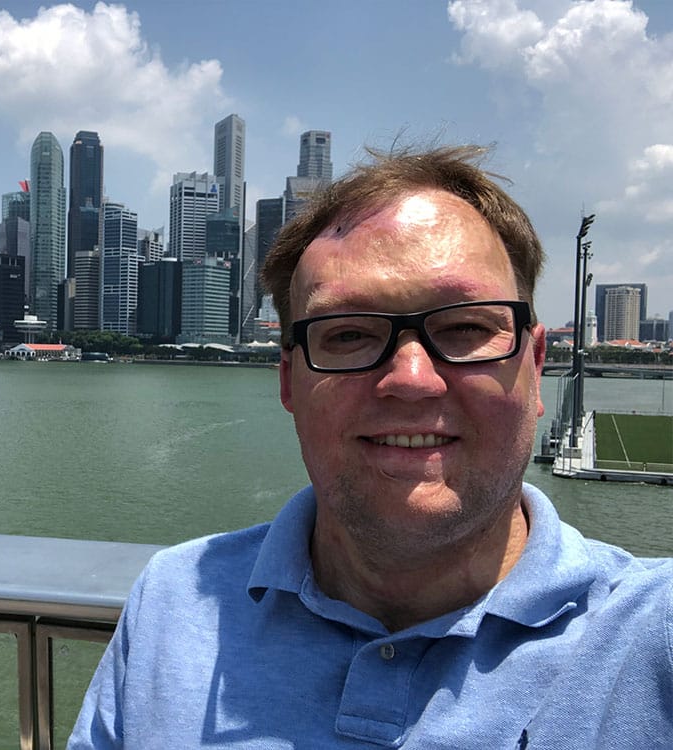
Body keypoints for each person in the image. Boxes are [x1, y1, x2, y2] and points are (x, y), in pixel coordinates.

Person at [67, 145, 672, 749]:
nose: (411, 379)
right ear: (288, 382)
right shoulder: (171, 603)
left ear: (535, 366)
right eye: (349, 334)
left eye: (465, 328)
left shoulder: (653, 639)